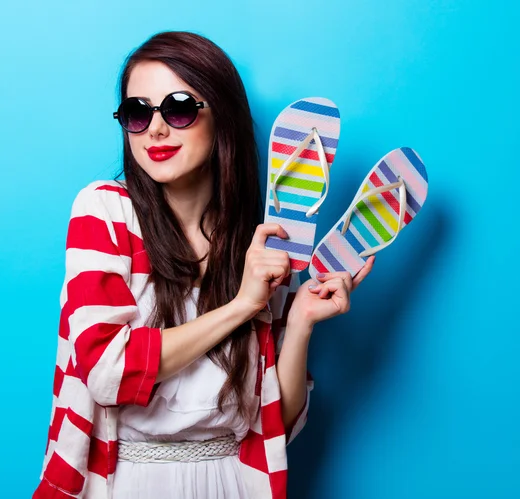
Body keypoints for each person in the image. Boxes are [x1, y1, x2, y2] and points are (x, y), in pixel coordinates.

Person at [33, 31, 374, 499]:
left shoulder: (257, 246)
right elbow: (109, 371)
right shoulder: (106, 211)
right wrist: (241, 306)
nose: (155, 130)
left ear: (223, 118)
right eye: (137, 113)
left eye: (177, 109)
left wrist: (299, 323)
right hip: (129, 483)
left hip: (230, 483)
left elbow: (276, 425)